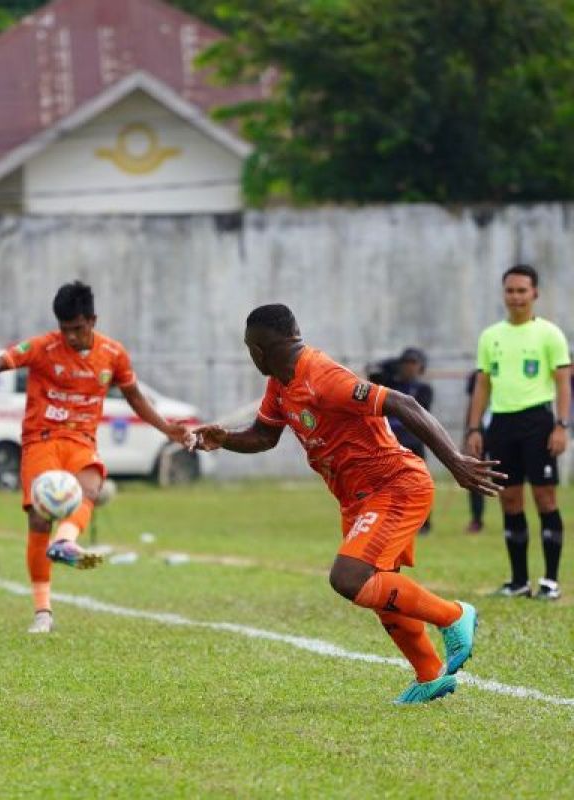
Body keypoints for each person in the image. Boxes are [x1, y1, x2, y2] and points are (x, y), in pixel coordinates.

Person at [192, 304, 496, 704]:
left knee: (349, 578)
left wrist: (454, 461)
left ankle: (454, 615)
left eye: (251, 348)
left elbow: (405, 404)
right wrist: (225, 438)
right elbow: (265, 437)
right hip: (357, 500)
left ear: (264, 349)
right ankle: (429, 676)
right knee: (383, 595)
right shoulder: (280, 384)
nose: (251, 356)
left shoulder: (323, 376)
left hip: (395, 486)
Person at [0, 281, 189, 634]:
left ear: (92, 320)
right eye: (65, 330)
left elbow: (135, 398)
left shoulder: (113, 354)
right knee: (37, 520)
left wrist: (166, 428)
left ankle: (65, 542)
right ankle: (42, 611)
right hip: (41, 440)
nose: (72, 337)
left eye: (78, 329)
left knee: (91, 485)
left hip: (81, 440)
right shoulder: (42, 347)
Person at [466, 264, 571, 600]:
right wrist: (474, 427)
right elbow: (482, 386)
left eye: (522, 290)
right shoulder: (490, 336)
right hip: (501, 425)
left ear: (534, 293)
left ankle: (551, 581)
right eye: (510, 291)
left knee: (545, 498)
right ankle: (519, 581)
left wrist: (561, 424)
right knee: (509, 500)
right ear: (504, 294)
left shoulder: (550, 334)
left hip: (538, 423)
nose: (516, 297)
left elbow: (564, 383)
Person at [370, 348, 434, 533]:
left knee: (418, 483)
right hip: (390, 441)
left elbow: (421, 411)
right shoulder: (390, 386)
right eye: (406, 364)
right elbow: (374, 374)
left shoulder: (423, 389)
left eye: (414, 364)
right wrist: (392, 366)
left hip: (413, 440)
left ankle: (424, 522)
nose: (409, 368)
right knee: (389, 483)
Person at [464, 370, 488, 533]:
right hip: (481, 429)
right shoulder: (477, 375)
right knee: (475, 475)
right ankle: (477, 518)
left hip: (507, 425)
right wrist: (470, 431)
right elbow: (472, 402)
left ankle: (513, 519)